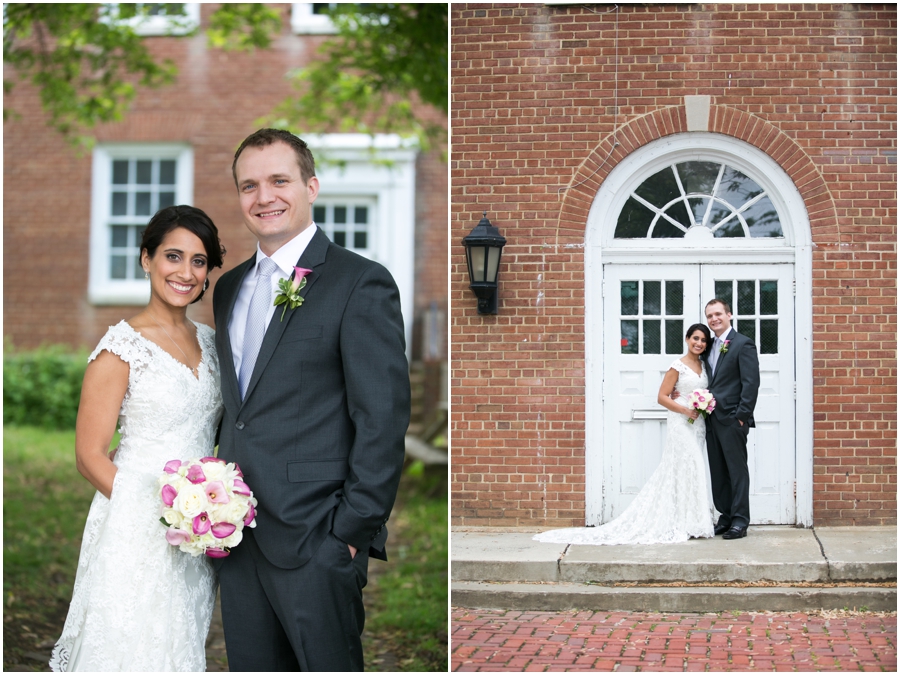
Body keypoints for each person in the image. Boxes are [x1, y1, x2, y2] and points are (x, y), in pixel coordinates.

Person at [212, 128, 410, 671]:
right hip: (236, 535)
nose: (264, 197)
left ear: (312, 186)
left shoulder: (359, 282)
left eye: (280, 180)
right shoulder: (228, 289)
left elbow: (381, 418)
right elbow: (242, 411)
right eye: (249, 185)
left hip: (316, 537)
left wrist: (349, 533)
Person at [50, 205, 226, 671]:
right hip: (136, 528)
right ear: (146, 259)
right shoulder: (120, 348)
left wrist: (203, 516)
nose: (185, 272)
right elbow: (89, 457)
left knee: (178, 644)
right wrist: (160, 516)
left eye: (198, 261)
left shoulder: (211, 342)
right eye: (173, 256)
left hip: (197, 532)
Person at [534, 324, 716, 546]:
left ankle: (691, 522)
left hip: (698, 424)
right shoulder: (677, 366)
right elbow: (662, 397)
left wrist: (702, 405)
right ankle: (679, 521)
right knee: (687, 464)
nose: (699, 343)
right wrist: (686, 409)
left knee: (691, 467)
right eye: (695, 338)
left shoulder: (705, 366)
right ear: (687, 339)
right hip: (681, 421)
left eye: (704, 340)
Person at [704, 298, 760, 540]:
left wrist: (741, 416)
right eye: (709, 316)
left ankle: (740, 520)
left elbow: (751, 384)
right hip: (710, 419)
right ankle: (725, 516)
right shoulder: (707, 347)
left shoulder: (742, 344)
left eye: (718, 314)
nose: (713, 319)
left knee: (737, 472)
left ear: (729, 315)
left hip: (733, 419)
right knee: (718, 471)